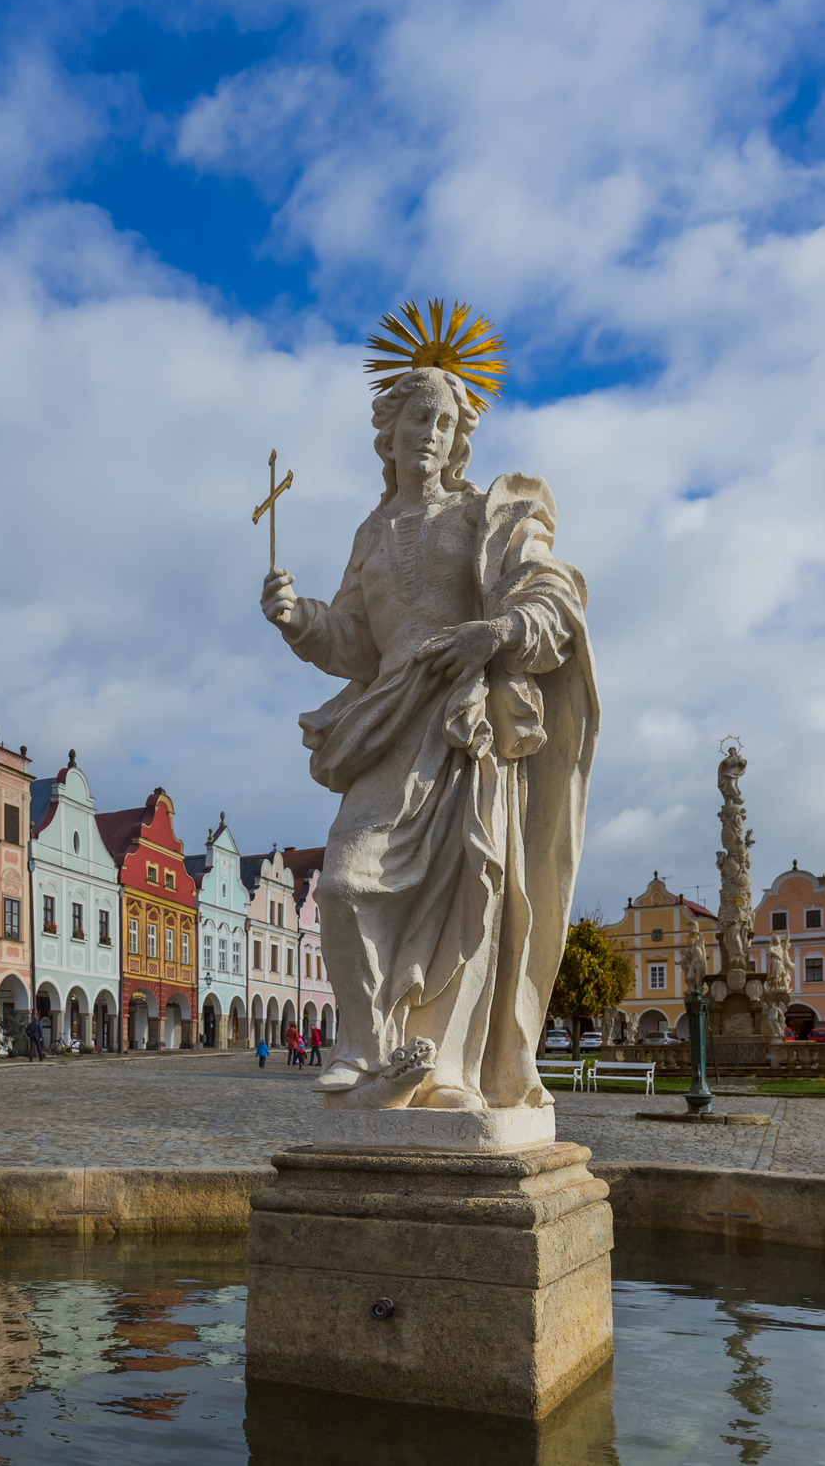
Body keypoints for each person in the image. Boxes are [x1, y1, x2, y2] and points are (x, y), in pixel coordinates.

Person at [260, 343, 599, 1112]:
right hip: (387, 723)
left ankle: (447, 1071)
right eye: (418, 417)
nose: (430, 433)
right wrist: (298, 619)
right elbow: (354, 637)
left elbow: (555, 598)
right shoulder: (372, 534)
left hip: (461, 723)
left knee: (468, 893)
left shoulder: (488, 515)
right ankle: (367, 1050)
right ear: (390, 431)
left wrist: (498, 632)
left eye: (444, 421)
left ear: (459, 436)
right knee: (345, 880)